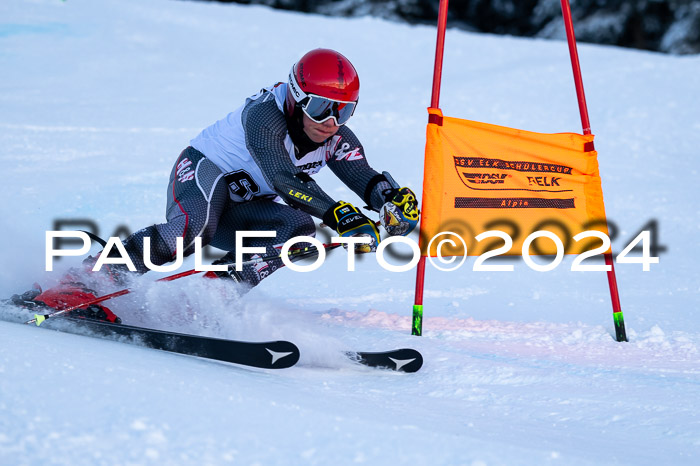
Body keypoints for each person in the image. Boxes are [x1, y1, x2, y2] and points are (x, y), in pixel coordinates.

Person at [17, 48, 420, 323]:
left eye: (344, 111)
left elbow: (362, 175)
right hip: (201, 174)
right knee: (193, 229)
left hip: (242, 208)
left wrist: (390, 202)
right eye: (321, 107)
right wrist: (341, 213)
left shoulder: (335, 135)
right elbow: (281, 175)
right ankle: (84, 280)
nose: (331, 121)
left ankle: (210, 298)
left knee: (297, 230)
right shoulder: (265, 115)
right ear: (296, 98)